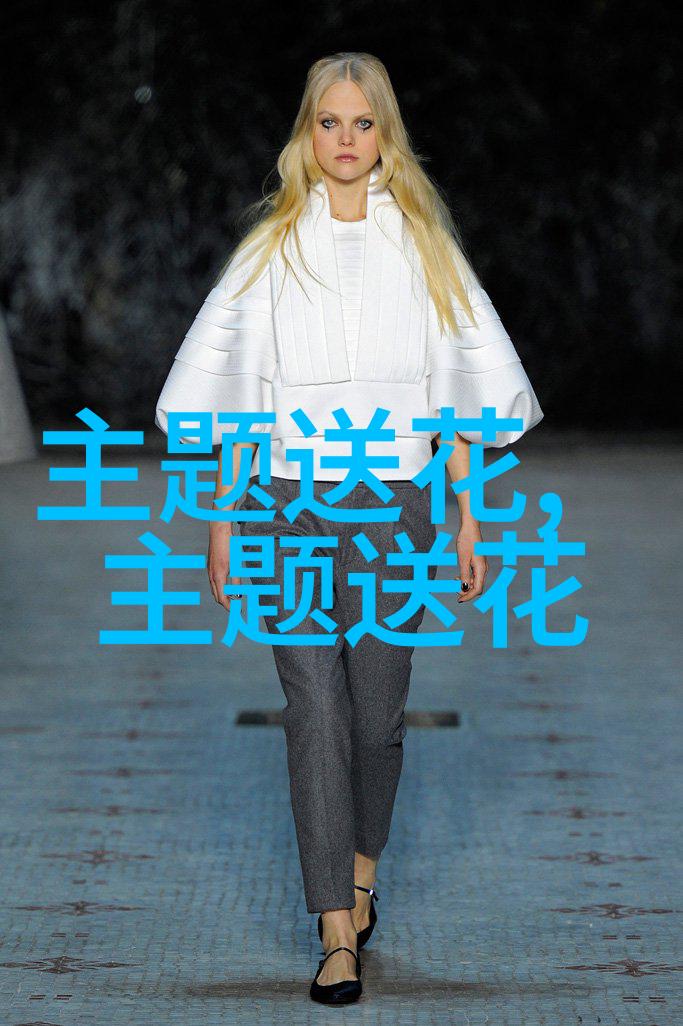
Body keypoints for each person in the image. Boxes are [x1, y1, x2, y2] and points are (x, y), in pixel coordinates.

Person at [155, 52, 543, 1005]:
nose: (344, 139)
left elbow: (460, 397)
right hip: (284, 503)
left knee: (375, 719)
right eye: (327, 122)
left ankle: (362, 874)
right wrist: (221, 521)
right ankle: (334, 930)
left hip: (395, 506)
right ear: (306, 132)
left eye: (362, 123)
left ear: (385, 135)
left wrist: (469, 518)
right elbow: (235, 397)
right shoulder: (268, 250)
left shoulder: (426, 247)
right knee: (314, 715)